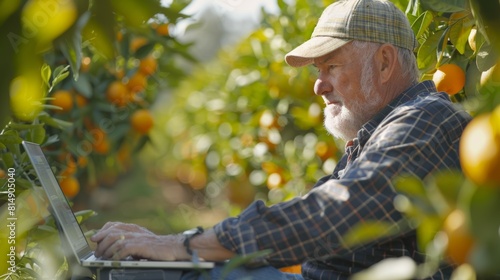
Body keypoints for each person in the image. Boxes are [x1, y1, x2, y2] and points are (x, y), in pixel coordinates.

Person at [90, 0, 472, 279]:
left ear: (385, 63)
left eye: (332, 67)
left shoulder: (428, 119)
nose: (319, 86)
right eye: (318, 70)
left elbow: (335, 213)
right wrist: (186, 243)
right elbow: (312, 215)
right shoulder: (374, 133)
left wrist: (182, 247)